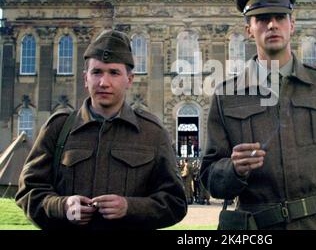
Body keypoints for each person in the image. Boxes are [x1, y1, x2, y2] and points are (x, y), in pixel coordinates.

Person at [200, 0, 316, 230]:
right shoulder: (226, 96)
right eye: (261, 18)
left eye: (280, 17)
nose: (272, 25)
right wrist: (233, 170)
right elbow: (210, 178)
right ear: (248, 29)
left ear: (292, 24)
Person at [15, 30, 187, 230]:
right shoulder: (58, 128)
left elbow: (175, 202)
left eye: (114, 72)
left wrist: (129, 207)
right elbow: (28, 192)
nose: (104, 82)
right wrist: (62, 207)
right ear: (85, 78)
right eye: (96, 72)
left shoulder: (152, 132)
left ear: (129, 80)